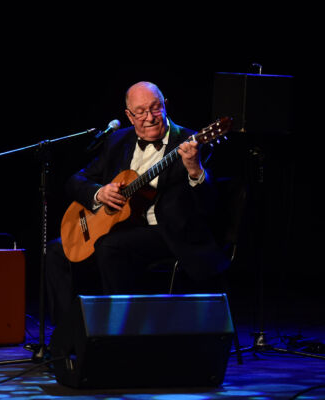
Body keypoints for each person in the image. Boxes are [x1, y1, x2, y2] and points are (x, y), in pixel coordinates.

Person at [46, 81, 229, 326]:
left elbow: (211, 206)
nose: (150, 118)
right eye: (140, 112)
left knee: (110, 247)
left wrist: (195, 170)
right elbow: (76, 180)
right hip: (120, 229)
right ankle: (66, 335)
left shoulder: (192, 142)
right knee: (56, 251)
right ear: (129, 116)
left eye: (155, 108)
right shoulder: (117, 141)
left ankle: (122, 331)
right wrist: (99, 193)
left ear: (165, 105)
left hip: (168, 233)